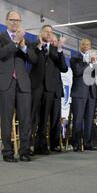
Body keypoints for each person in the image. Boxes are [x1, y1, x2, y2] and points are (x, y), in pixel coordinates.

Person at [0, 10, 37, 162]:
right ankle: (7, 152)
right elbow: (0, 54)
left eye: (18, 20)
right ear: (6, 21)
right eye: (12, 19)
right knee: (6, 118)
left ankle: (24, 151)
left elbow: (33, 59)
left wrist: (23, 46)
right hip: (4, 83)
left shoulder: (25, 41)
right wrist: (15, 42)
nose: (15, 22)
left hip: (23, 83)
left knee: (25, 118)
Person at [29, 25, 68, 155]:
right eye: (46, 31)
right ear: (41, 33)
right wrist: (40, 46)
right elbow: (31, 60)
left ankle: (41, 145)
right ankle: (29, 145)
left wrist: (60, 49)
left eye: (51, 32)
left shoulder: (55, 50)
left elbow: (63, 67)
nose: (49, 34)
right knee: (33, 117)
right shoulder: (34, 45)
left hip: (50, 88)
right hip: (36, 85)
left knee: (44, 119)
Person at [70, 38, 97, 151]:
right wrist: (90, 64)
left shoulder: (93, 60)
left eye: (88, 45)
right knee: (78, 120)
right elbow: (78, 71)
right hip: (79, 93)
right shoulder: (75, 58)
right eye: (84, 44)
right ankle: (76, 144)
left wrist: (95, 63)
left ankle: (88, 143)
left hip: (91, 93)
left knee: (89, 119)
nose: (86, 46)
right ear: (80, 46)